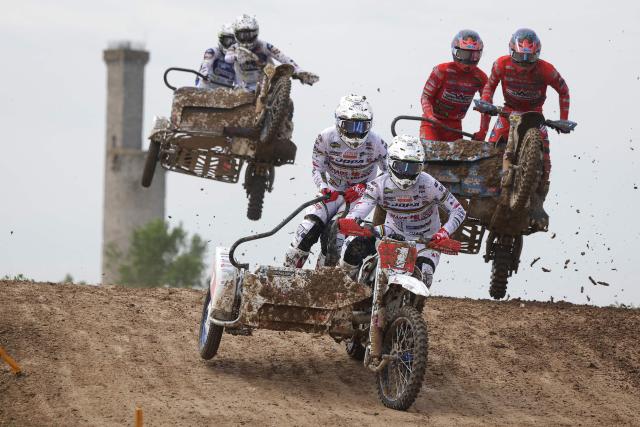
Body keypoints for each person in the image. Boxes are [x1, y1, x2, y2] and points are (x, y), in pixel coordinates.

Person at [338, 135, 467, 288]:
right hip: (390, 233)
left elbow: (458, 211)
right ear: (391, 163)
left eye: (412, 167)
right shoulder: (378, 185)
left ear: (421, 166)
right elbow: (361, 209)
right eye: (401, 166)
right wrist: (351, 222)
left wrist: (443, 233)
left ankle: (413, 307)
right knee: (354, 245)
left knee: (424, 275)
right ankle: (344, 288)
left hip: (425, 241)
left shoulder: (429, 184)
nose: (406, 173)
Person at [479, 28, 570, 228]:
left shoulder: (546, 69)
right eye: (520, 57)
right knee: (489, 148)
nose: (524, 64)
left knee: (545, 158)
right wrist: (486, 103)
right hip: (508, 111)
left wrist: (563, 120)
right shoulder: (501, 64)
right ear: (512, 52)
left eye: (530, 59)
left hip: (534, 114)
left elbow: (563, 90)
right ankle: (481, 193)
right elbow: (489, 85)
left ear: (537, 56)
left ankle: (538, 202)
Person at [284, 94, 388, 268]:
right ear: (339, 122)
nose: (356, 132)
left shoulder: (377, 142)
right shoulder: (325, 137)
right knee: (308, 229)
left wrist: (364, 187)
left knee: (334, 236)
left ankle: (322, 280)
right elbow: (317, 167)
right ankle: (286, 278)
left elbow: (389, 175)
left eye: (361, 126)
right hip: (331, 192)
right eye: (350, 125)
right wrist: (323, 187)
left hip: (358, 198)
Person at [420, 30, 488, 142]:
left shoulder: (481, 78)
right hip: (431, 124)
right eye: (465, 55)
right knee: (430, 152)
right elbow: (425, 97)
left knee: (454, 158)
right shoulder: (441, 71)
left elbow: (486, 107)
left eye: (474, 55)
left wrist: (483, 131)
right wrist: (430, 116)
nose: (469, 60)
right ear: (455, 52)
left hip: (454, 127)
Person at [224, 14, 318, 91]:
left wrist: (299, 70)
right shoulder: (234, 48)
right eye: (242, 35)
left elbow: (282, 57)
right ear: (236, 34)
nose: (247, 38)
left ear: (256, 32)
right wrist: (237, 56)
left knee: (279, 72)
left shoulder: (263, 45)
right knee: (232, 96)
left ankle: (280, 92)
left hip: (267, 79)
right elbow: (227, 58)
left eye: (250, 34)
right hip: (244, 86)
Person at [195, 23, 237, 89]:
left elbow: (239, 79)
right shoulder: (212, 51)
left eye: (234, 42)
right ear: (221, 39)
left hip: (224, 96)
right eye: (227, 41)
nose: (230, 45)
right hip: (205, 90)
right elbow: (205, 65)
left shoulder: (236, 59)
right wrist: (205, 75)